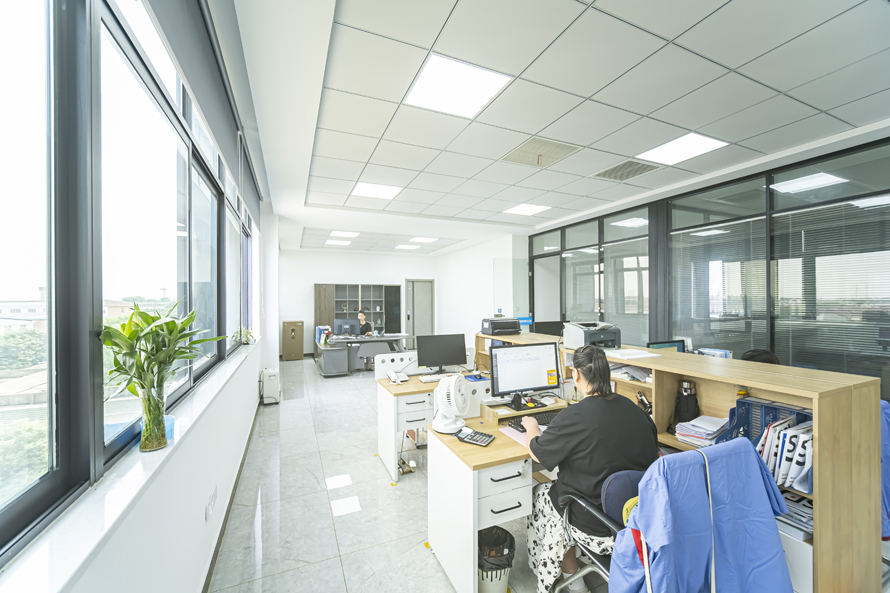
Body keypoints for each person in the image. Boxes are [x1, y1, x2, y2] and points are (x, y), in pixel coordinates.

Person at [522, 345, 658, 593]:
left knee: (542, 495)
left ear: (576, 375)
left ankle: (574, 582)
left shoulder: (575, 415)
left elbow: (537, 452)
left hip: (596, 524)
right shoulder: (636, 411)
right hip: (637, 521)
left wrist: (532, 426)